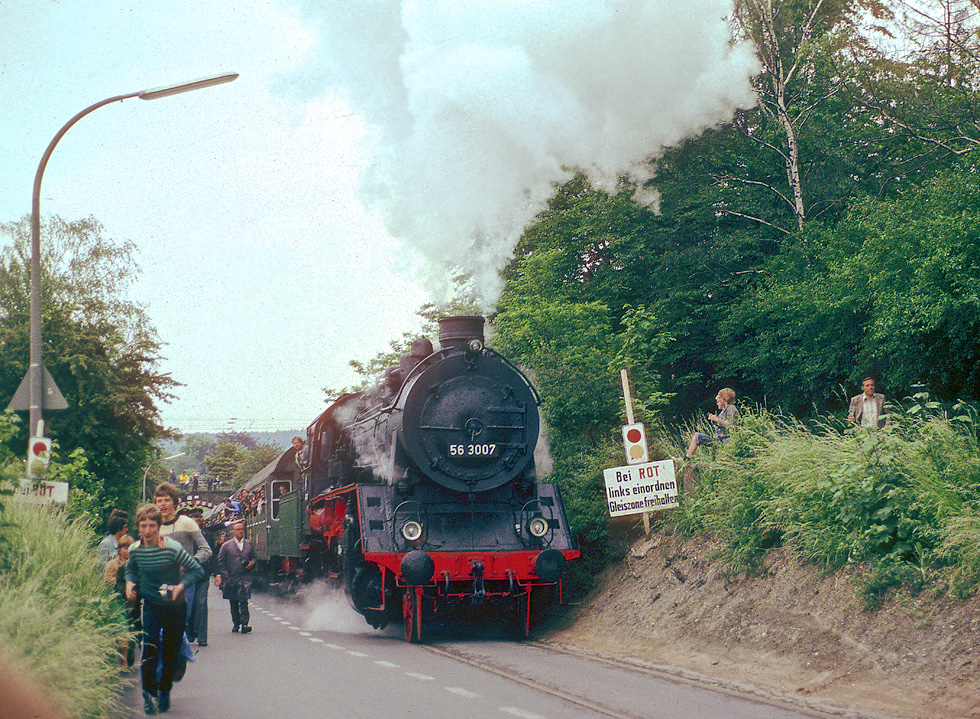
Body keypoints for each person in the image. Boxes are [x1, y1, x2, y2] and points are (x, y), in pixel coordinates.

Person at [125, 504, 204, 715]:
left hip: (175, 606)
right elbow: (131, 571)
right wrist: (129, 584)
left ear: (159, 527)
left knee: (170, 652)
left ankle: (165, 690)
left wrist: (181, 586)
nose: (148, 530)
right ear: (139, 527)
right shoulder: (135, 550)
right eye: (144, 525)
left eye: (152, 525)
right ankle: (149, 695)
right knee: (149, 649)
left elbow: (197, 571)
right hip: (151, 605)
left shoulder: (172, 548)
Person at [216, 521, 256, 634]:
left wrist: (252, 563)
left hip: (245, 577)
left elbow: (254, 557)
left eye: (241, 529)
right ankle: (236, 623)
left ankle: (245, 624)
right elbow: (221, 561)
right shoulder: (226, 546)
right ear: (233, 531)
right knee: (233, 602)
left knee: (244, 601)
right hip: (231, 578)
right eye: (237, 529)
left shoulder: (249, 544)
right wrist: (225, 575)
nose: (240, 531)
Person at [684, 388, 740, 460]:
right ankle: (687, 458)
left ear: (725, 398)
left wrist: (717, 419)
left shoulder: (731, 408)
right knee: (697, 436)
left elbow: (730, 425)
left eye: (719, 397)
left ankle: (686, 459)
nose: (717, 399)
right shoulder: (723, 411)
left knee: (697, 436)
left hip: (726, 441)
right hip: (719, 440)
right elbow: (722, 424)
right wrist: (714, 420)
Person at [187, 509, 215, 647]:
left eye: (199, 521)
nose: (197, 523)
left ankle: (202, 637)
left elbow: (213, 555)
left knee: (201, 603)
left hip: (203, 575)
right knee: (189, 604)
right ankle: (191, 633)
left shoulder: (208, 535)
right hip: (187, 576)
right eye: (195, 521)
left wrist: (218, 574)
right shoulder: (184, 536)